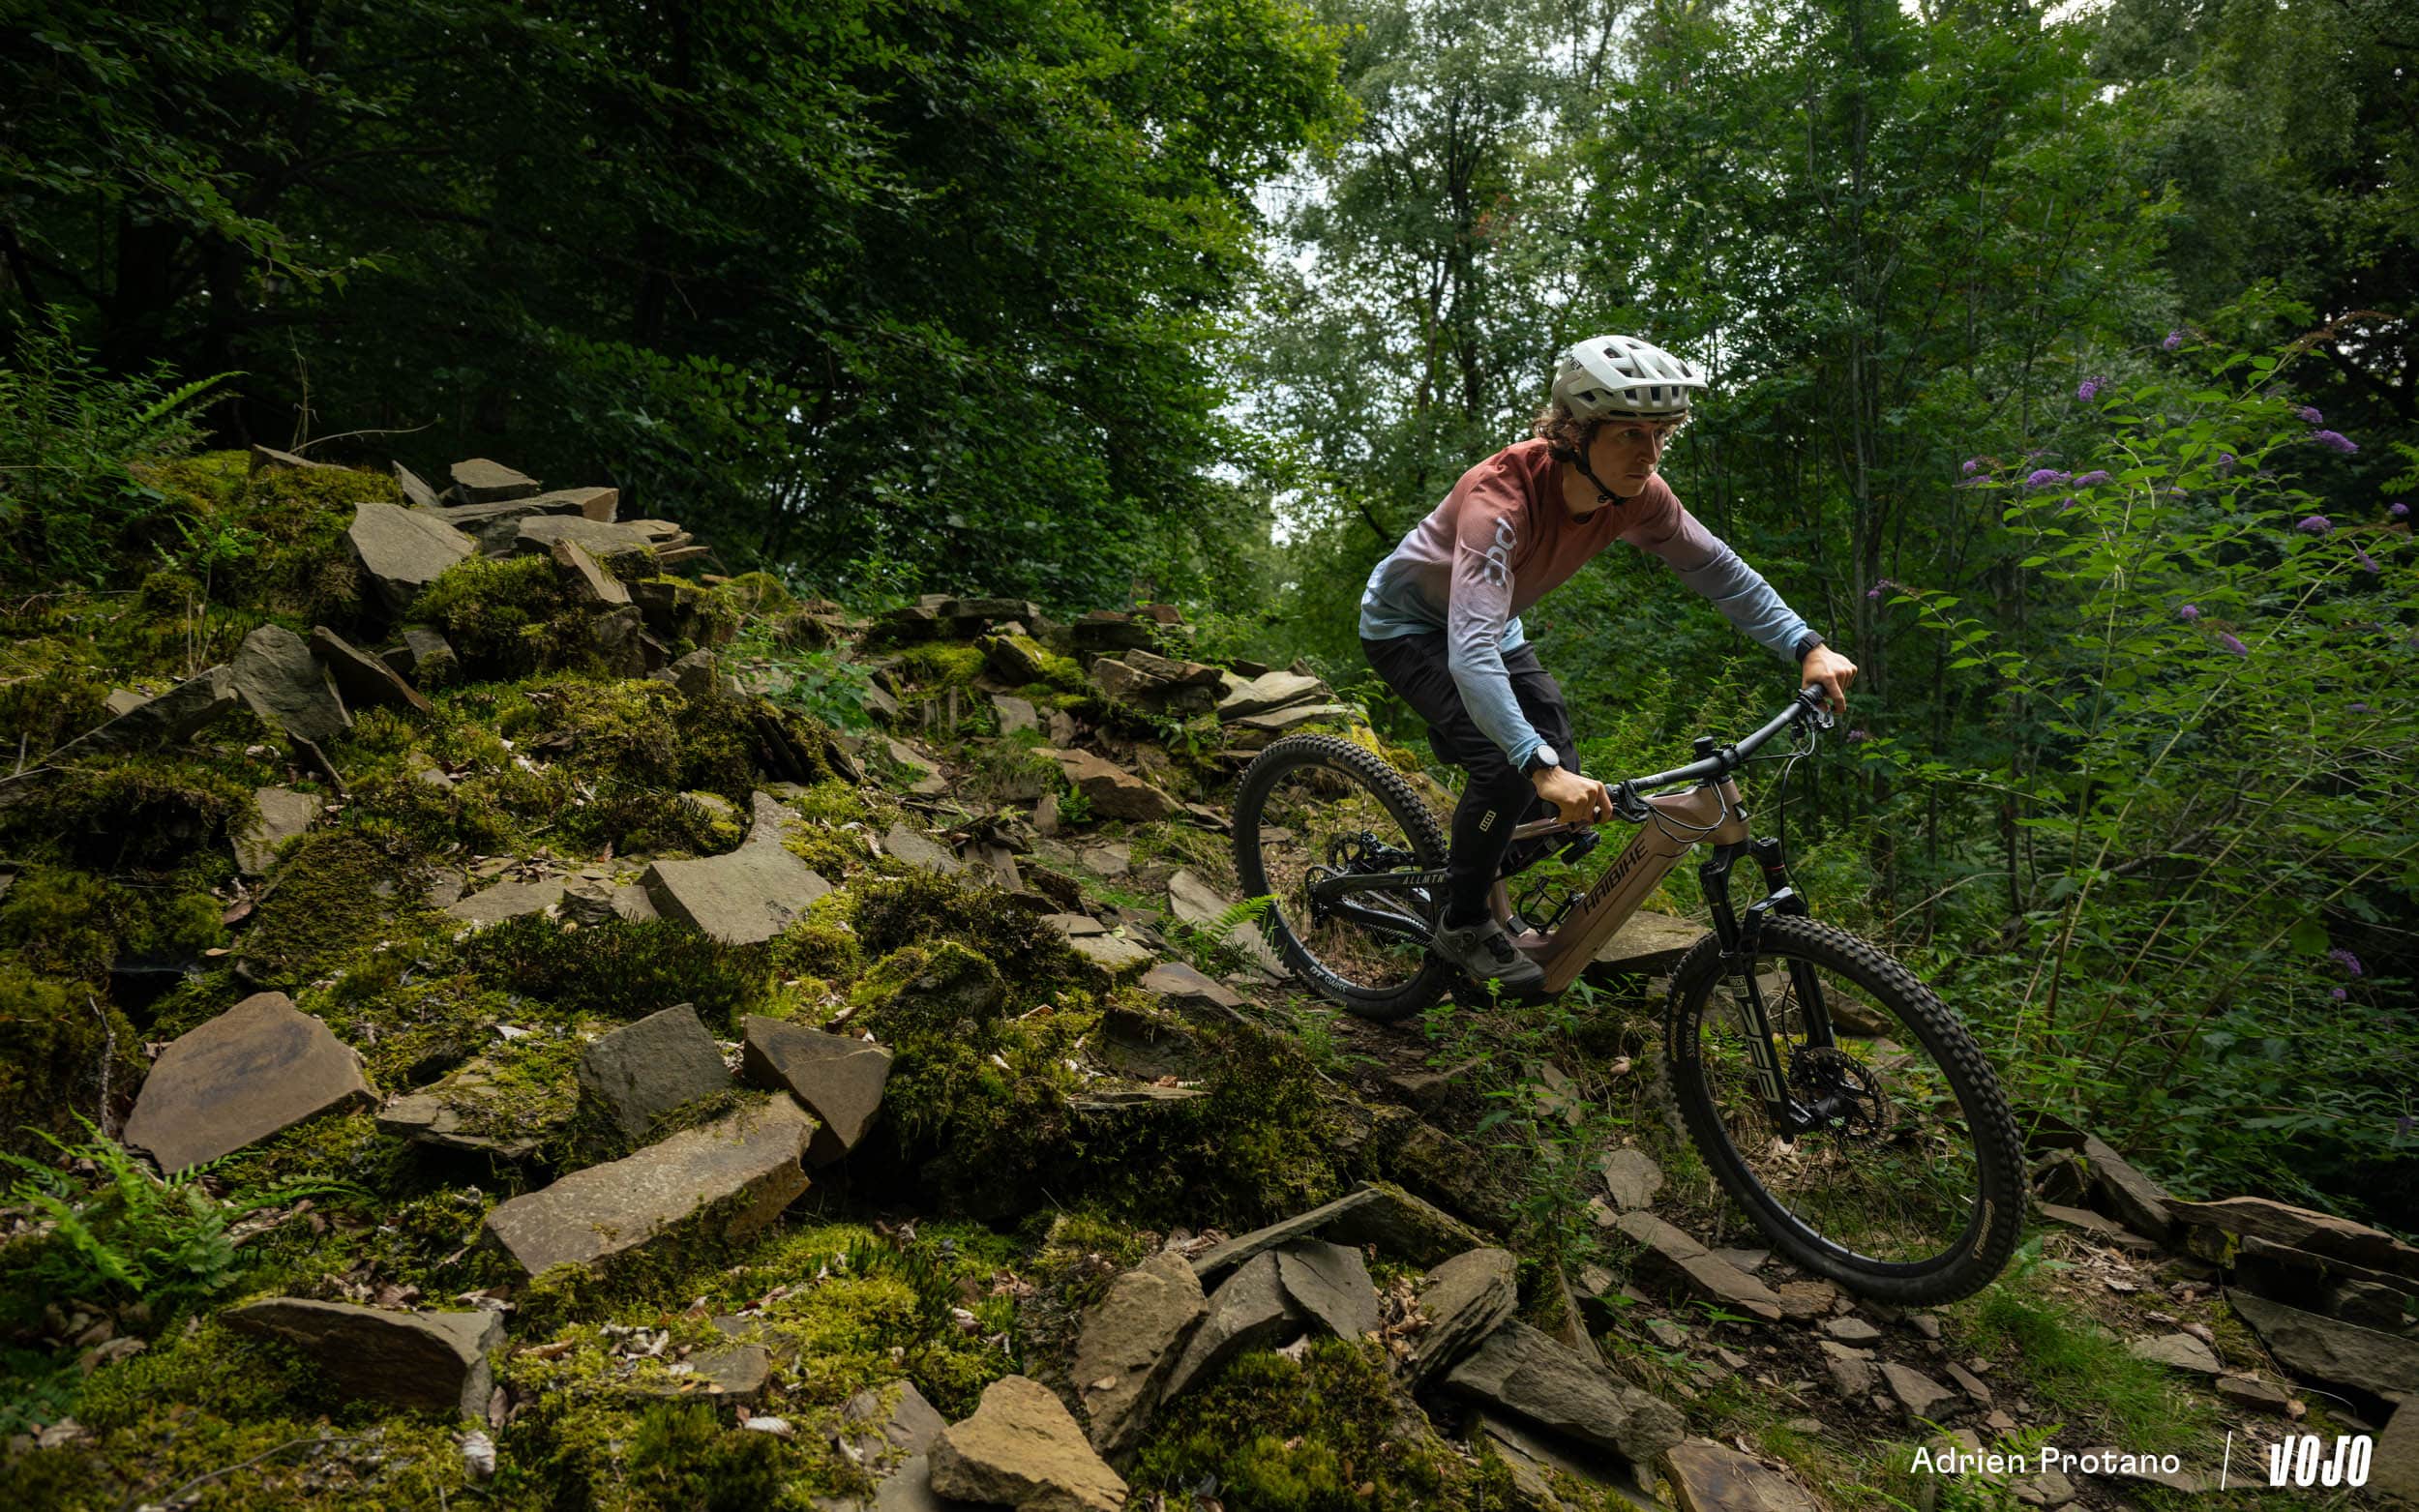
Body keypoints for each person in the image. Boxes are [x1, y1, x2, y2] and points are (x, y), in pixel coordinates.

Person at [1359, 334, 1859, 991]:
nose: (1649, 454)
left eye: (1661, 434)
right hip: (1409, 628)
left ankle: (1464, 867)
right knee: (1512, 769)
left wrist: (1807, 644)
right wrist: (1536, 768)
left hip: (1493, 622)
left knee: (1556, 765)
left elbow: (1716, 569)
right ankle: (1463, 920)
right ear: (1575, 432)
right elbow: (1469, 651)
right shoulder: (1499, 501)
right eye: (1629, 434)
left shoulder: (1640, 495)